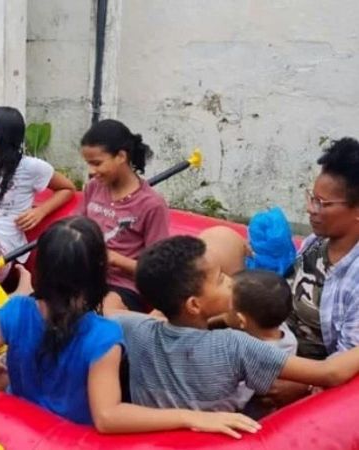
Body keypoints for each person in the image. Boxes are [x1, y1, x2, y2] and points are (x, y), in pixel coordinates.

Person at [0, 218, 261, 438]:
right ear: (99, 271)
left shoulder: (15, 310)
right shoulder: (102, 335)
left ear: (41, 267)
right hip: (71, 437)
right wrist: (192, 417)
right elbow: (107, 416)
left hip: (17, 429)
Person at [113, 235, 359, 414]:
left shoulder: (136, 329)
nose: (231, 281)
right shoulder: (235, 346)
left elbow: (108, 315)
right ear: (194, 305)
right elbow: (330, 373)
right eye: (220, 279)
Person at [77, 119, 169, 312]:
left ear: (121, 156)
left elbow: (158, 270)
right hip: (83, 275)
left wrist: (114, 259)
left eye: (97, 163)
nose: (91, 171)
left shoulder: (151, 204)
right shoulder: (94, 188)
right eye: (88, 163)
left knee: (105, 311)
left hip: (121, 286)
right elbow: (78, 230)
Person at [0, 107, 76, 260]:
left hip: (0, 247)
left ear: (1, 139)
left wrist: (40, 211)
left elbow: (67, 188)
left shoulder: (30, 167)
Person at [287, 138, 359, 359]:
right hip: (277, 350)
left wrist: (303, 385)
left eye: (322, 203)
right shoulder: (315, 244)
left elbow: (346, 361)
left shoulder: (353, 277)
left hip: (313, 376)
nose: (310, 209)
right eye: (312, 198)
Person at [224, 270, 298, 418]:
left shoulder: (255, 358)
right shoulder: (279, 327)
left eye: (225, 305)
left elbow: (235, 401)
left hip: (251, 409)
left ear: (241, 321)